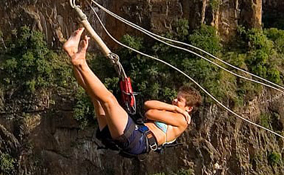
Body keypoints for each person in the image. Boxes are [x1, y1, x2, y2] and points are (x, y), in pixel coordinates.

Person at [62, 27, 203, 156]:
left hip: (136, 139)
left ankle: (81, 63)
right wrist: (173, 107)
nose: (175, 100)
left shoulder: (182, 120)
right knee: (96, 98)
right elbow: (148, 104)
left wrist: (177, 111)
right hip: (127, 135)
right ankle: (72, 52)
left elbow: (150, 113)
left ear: (189, 108)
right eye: (176, 98)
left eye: (179, 101)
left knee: (109, 100)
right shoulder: (174, 111)